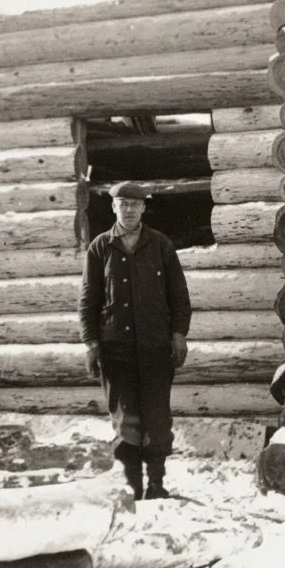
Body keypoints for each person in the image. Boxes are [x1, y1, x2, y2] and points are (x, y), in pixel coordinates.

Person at [78, 181, 192, 500]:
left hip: (156, 349)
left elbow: (179, 298)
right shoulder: (100, 248)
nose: (129, 210)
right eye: (123, 204)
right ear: (113, 207)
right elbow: (88, 301)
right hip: (116, 352)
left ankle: (155, 483)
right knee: (126, 419)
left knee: (157, 418)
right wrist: (91, 344)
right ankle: (132, 484)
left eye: (135, 205)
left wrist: (179, 335)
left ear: (144, 208)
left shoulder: (161, 246)